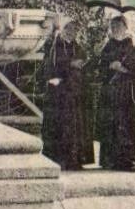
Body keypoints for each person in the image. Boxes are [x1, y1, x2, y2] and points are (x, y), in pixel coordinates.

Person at [95, 14, 135, 171]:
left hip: (130, 91)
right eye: (113, 27)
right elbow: (100, 65)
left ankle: (133, 160)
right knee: (113, 125)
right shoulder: (109, 44)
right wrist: (109, 66)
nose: (115, 29)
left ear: (125, 27)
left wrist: (123, 68)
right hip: (113, 91)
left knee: (130, 124)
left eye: (118, 26)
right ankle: (113, 160)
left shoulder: (133, 43)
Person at [39, 15, 94, 169]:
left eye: (74, 29)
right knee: (61, 124)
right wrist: (70, 64)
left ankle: (75, 159)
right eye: (68, 28)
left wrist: (82, 65)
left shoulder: (78, 47)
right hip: (60, 93)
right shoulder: (54, 46)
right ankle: (59, 159)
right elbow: (50, 68)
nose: (71, 32)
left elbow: (84, 64)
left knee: (77, 124)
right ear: (62, 29)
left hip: (76, 92)